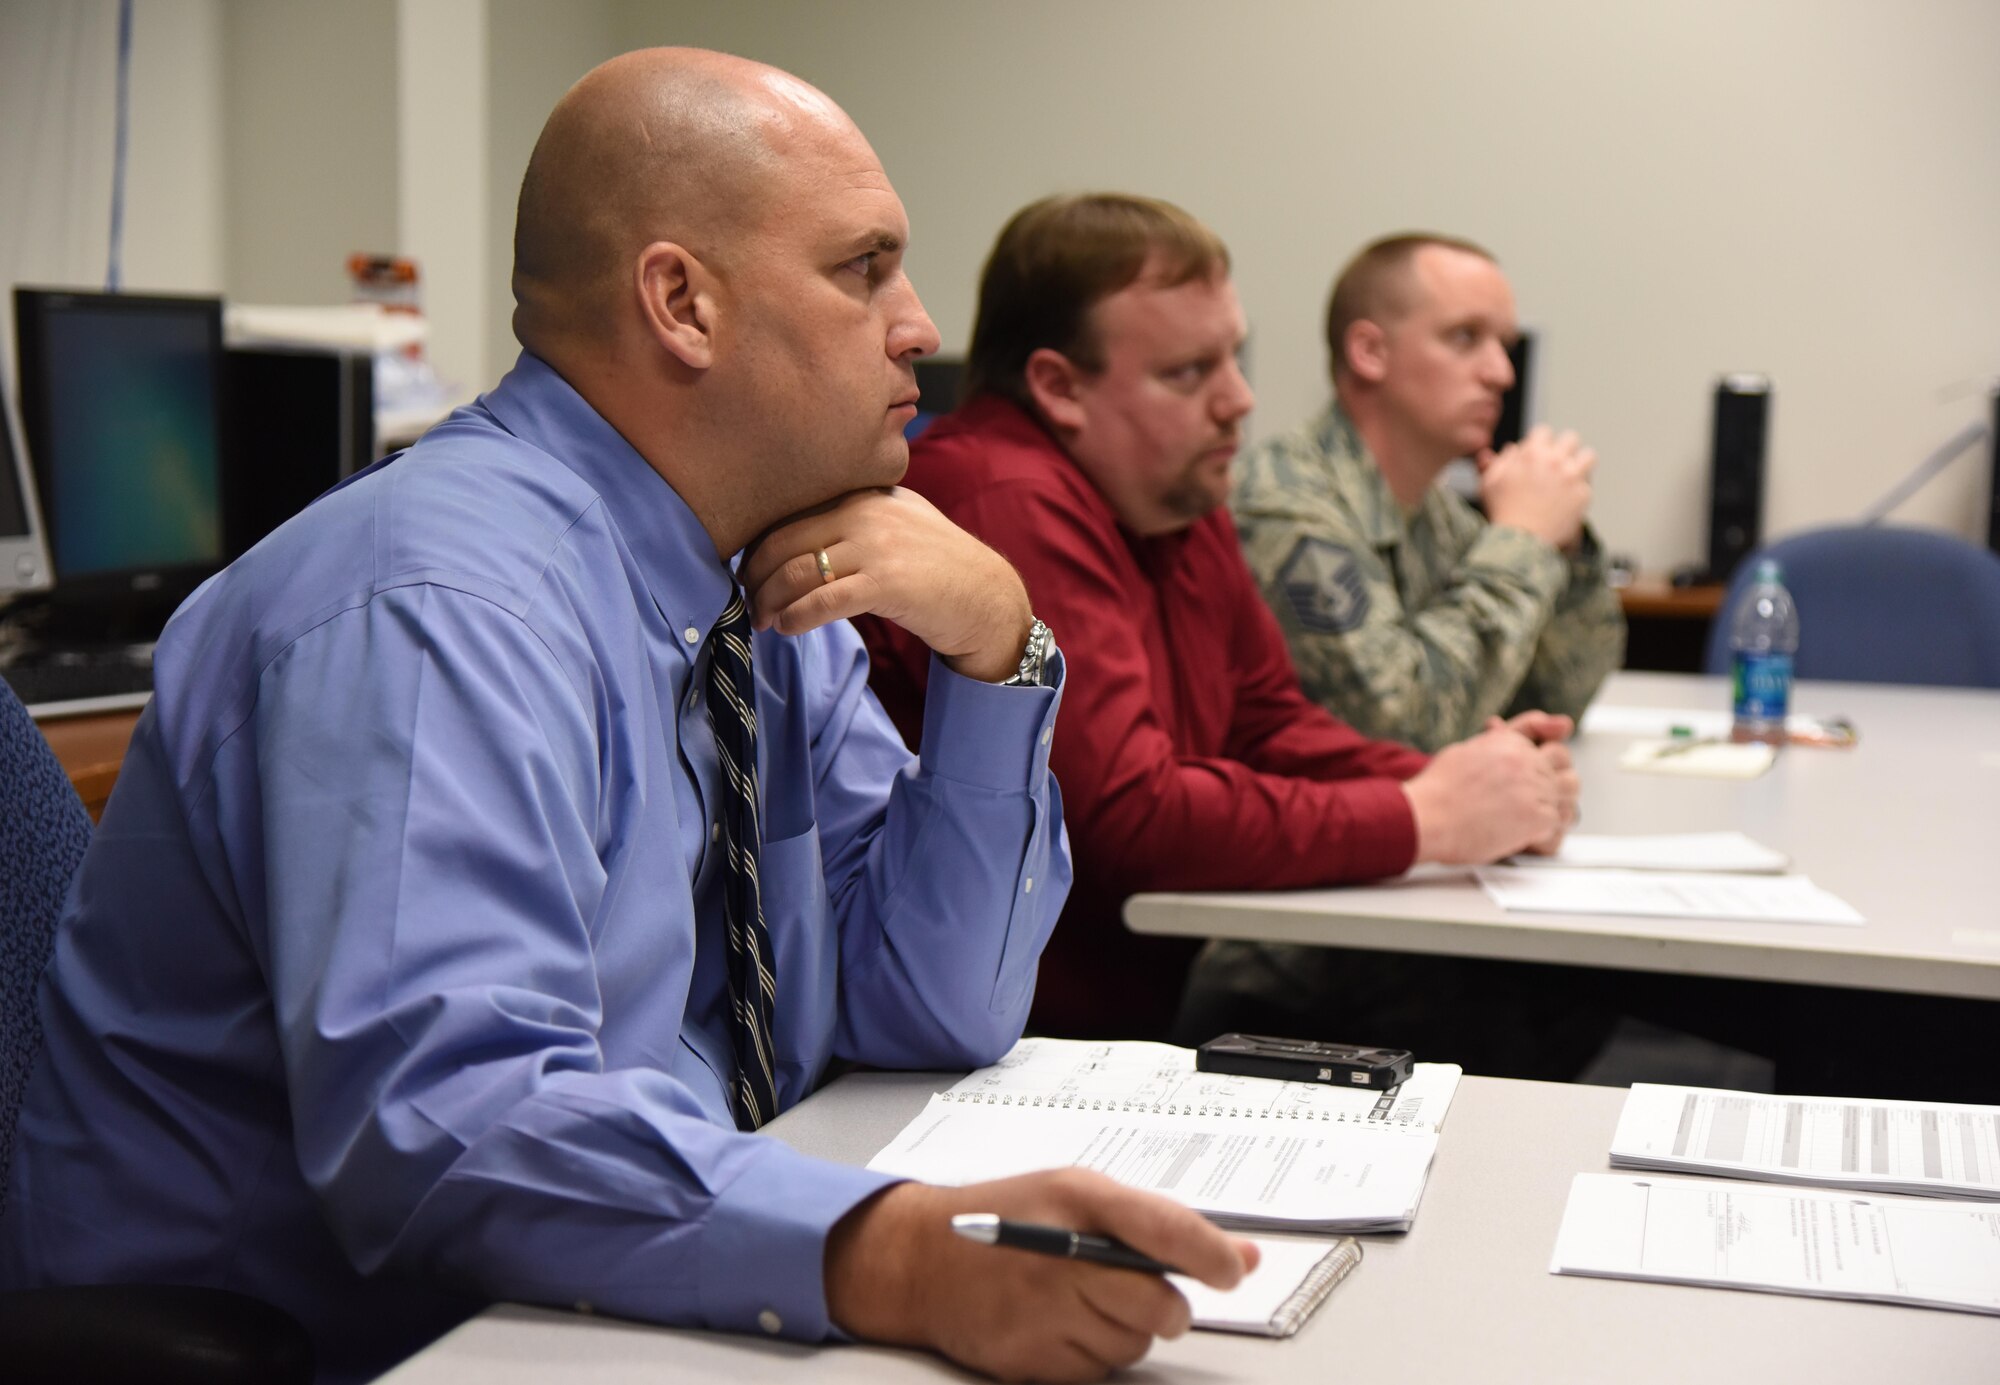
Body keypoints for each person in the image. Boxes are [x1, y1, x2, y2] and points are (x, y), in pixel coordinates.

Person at [1, 53, 1258, 1385]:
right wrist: (885, 1253)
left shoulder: (759, 591)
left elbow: (928, 1007)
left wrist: (996, 652)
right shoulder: (437, 607)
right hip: (347, 1347)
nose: (918, 325)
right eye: (863, 269)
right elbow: (453, 1121)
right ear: (683, 304)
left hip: (606, 1301)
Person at [858, 195, 1582, 1044]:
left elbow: (1268, 720)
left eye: (1234, 359)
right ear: (1059, 387)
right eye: (1188, 373)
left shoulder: (1169, 488)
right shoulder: (1006, 497)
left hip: (1112, 1023)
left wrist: (1477, 778)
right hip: (1005, 1048)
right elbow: (1133, 816)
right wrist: (1427, 816)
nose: (1240, 400)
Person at [1231, 233, 1625, 753]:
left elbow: (1555, 696)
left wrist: (1563, 545)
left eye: (1504, 346)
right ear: (1370, 352)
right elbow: (1399, 726)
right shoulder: (1285, 504)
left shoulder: (1436, 514)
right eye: (1465, 338)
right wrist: (1524, 538)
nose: (1502, 374)